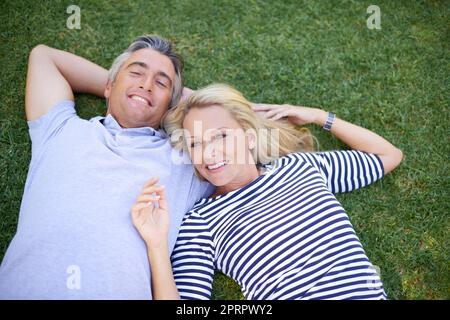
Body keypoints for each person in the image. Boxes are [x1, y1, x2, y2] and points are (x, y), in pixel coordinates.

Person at [131, 83, 403, 300]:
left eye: (221, 136)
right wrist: (156, 245)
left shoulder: (300, 166)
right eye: (196, 143)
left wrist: (320, 116)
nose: (209, 153)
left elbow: (389, 155)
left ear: (249, 137)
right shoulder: (201, 222)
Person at [0, 35, 214, 299]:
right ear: (108, 86)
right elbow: (44, 56)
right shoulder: (61, 128)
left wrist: (182, 104)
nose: (146, 84)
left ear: (172, 107)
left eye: (161, 83)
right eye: (136, 72)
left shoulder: (184, 161)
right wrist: (130, 88)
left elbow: (244, 140)